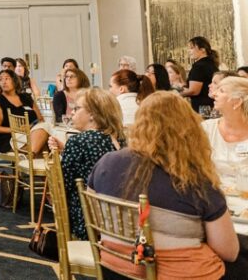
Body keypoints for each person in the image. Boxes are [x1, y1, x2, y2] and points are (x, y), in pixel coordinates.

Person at [87, 92, 238, 279]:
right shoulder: (194, 181)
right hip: (176, 274)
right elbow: (229, 251)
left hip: (115, 267)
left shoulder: (107, 162)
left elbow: (94, 218)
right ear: (189, 129)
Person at [47, 88, 125, 240]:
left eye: (76, 108)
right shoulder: (121, 139)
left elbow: (63, 187)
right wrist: (66, 150)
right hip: (120, 219)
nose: (71, 113)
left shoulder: (79, 141)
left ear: (93, 115)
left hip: (89, 221)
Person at [201, 76, 248, 189]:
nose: (214, 94)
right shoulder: (207, 129)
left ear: (237, 102)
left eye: (221, 91)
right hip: (214, 197)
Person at [0, 69, 49, 155]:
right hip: (8, 138)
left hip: (32, 133)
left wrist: (30, 127)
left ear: (15, 81)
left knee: (46, 129)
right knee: (45, 144)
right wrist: (16, 130)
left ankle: (31, 156)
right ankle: (31, 158)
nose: (3, 82)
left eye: (7, 78)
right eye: (1, 79)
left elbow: (40, 119)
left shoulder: (26, 97)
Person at [183, 36, 220, 114]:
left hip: (202, 108)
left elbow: (194, 91)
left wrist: (176, 94)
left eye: (192, 48)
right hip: (212, 106)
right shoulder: (211, 64)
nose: (189, 51)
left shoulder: (199, 66)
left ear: (202, 49)